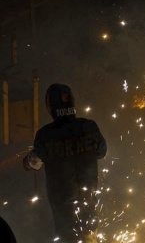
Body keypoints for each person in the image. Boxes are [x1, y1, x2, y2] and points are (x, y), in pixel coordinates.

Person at [23, 83, 107, 243]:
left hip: (63, 213)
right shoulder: (89, 126)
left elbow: (34, 163)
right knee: (89, 237)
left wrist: (27, 161)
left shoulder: (45, 135)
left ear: (50, 106)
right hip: (88, 206)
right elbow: (102, 152)